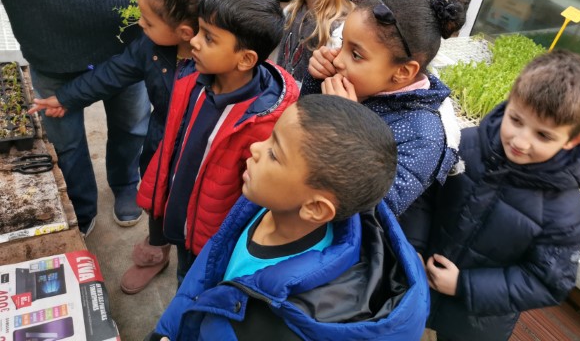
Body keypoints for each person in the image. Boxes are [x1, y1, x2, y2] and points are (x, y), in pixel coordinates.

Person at [28, 0, 235, 295]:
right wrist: (66, 97)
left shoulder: (224, 67)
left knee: (196, 222)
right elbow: (112, 73)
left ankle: (191, 279)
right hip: (160, 147)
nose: (140, 24)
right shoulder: (150, 48)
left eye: (148, 21)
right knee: (157, 204)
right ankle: (156, 252)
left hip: (203, 162)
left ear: (184, 31)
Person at [146, 94, 429, 341]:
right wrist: (168, 329)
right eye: (270, 137)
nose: (256, 148)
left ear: (315, 208)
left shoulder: (280, 323)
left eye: (274, 153)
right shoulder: (265, 203)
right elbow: (209, 267)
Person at [0, 0, 184, 236]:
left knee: (132, 126)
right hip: (51, 52)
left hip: (129, 45)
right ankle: (80, 204)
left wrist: (170, 2)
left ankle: (125, 183)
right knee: (64, 141)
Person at [402, 50, 580, 341]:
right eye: (516, 120)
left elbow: (547, 281)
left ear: (574, 140)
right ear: (510, 101)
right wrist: (415, 248)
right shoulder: (466, 144)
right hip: (414, 289)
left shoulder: (562, 213)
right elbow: (423, 195)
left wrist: (464, 285)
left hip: (472, 324)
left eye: (543, 135)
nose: (520, 141)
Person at [136, 0, 299, 287]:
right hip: (178, 208)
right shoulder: (192, 80)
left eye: (209, 37)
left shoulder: (264, 122)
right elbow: (173, 144)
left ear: (245, 59)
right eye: (199, 30)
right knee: (182, 263)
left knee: (192, 280)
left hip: (209, 233)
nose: (194, 41)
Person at [302, 0, 465, 216]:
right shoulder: (361, 83)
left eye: (356, 54)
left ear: (403, 72)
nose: (337, 60)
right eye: (342, 43)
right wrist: (316, 80)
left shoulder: (423, 137)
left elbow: (376, 211)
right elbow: (300, 131)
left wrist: (347, 129)